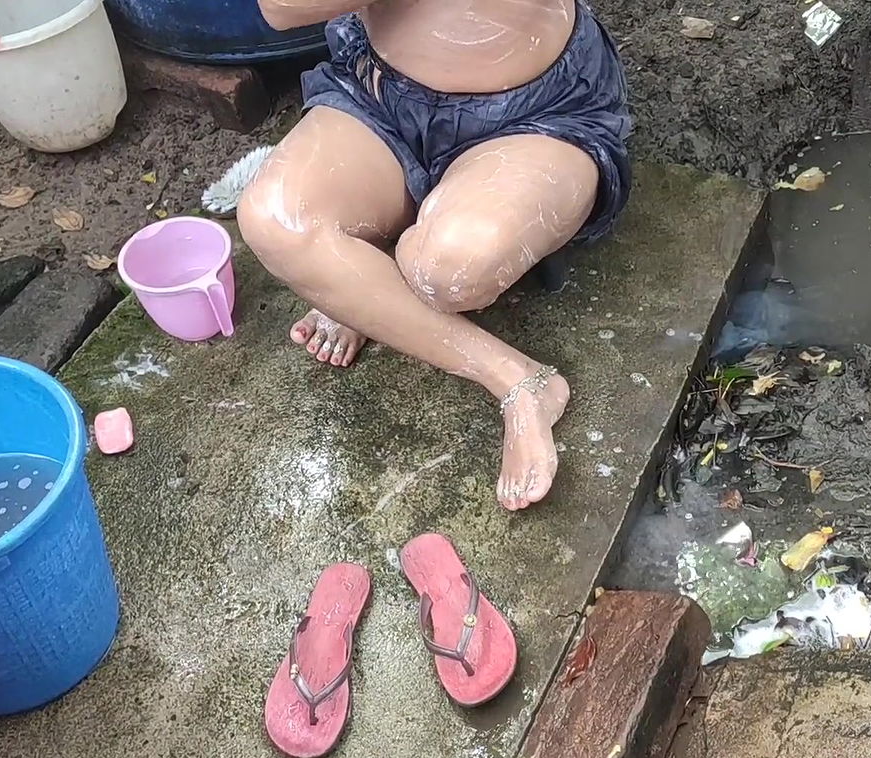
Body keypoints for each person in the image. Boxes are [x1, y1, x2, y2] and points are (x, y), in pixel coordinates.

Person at [239, 0, 632, 511]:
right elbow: (284, 8)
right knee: (277, 219)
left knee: (451, 271)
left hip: (536, 113)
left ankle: (367, 276)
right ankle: (515, 378)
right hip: (380, 94)